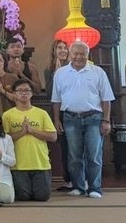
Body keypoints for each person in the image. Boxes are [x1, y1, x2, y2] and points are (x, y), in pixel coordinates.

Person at [51, 41, 114, 199]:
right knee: (74, 155)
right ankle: (78, 186)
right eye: (76, 54)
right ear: (70, 54)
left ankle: (94, 187)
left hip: (94, 118)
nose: (78, 57)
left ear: (88, 54)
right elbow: (56, 100)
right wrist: (56, 120)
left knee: (94, 154)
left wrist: (106, 120)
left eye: (82, 54)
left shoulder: (98, 72)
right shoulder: (60, 73)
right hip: (70, 118)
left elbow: (106, 98)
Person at [3, 77, 56, 201]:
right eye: (20, 91)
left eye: (27, 90)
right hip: (18, 166)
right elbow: (4, 139)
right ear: (14, 94)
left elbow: (53, 136)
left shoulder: (42, 113)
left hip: (40, 164)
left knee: (42, 197)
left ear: (32, 93)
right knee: (23, 197)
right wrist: (22, 132)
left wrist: (32, 131)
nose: (23, 93)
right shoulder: (7, 115)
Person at [44, 39, 73, 191]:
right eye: (59, 48)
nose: (62, 50)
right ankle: (68, 179)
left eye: (65, 48)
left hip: (72, 110)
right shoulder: (49, 70)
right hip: (57, 111)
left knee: (75, 146)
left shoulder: (73, 68)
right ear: (54, 52)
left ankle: (79, 179)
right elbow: (50, 93)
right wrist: (56, 72)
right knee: (64, 146)